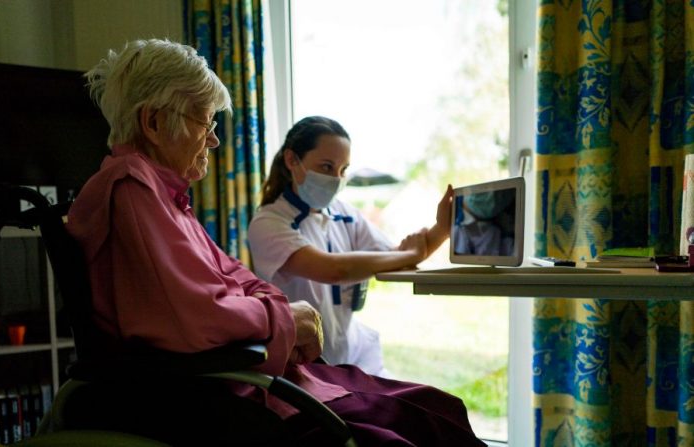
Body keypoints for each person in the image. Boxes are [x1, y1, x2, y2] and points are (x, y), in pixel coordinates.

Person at [66, 38, 483, 446]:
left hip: (254, 375)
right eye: (205, 122)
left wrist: (282, 310)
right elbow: (196, 317)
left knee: (433, 407)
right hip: (222, 389)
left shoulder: (164, 196)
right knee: (417, 424)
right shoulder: (135, 189)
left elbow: (233, 276)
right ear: (154, 123)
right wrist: (286, 318)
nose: (213, 140)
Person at [248, 116, 453, 376]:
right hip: (305, 365)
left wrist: (442, 230)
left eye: (343, 170)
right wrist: (411, 253)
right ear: (292, 161)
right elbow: (334, 270)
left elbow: (398, 259)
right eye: (326, 167)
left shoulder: (343, 213)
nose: (336, 178)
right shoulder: (268, 222)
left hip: (353, 356)